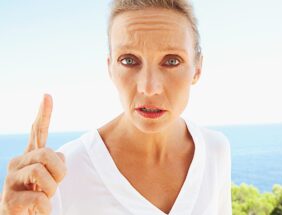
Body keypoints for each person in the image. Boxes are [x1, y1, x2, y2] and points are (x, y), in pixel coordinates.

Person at [0, 0, 232, 214]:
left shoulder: (216, 150)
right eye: (129, 60)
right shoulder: (60, 177)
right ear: (110, 68)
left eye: (171, 61)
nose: (149, 88)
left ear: (198, 68)